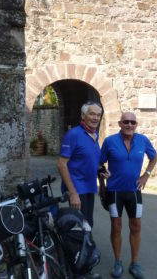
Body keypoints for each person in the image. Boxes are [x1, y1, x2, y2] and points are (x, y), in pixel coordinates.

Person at [101, 112, 157, 279]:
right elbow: (100, 163)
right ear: (120, 123)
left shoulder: (143, 140)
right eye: (126, 122)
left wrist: (146, 174)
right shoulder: (110, 141)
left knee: (136, 227)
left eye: (133, 122)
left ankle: (134, 263)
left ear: (136, 125)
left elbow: (154, 157)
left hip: (134, 192)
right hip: (114, 192)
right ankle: (118, 262)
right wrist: (102, 180)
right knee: (116, 227)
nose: (129, 125)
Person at [57, 101, 109, 279]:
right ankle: (75, 272)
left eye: (98, 115)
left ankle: (82, 268)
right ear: (83, 116)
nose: (96, 118)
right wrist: (72, 193)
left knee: (86, 229)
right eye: (92, 114)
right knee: (75, 233)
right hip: (76, 193)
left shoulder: (94, 136)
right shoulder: (74, 135)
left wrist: (101, 171)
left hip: (88, 191)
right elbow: (62, 164)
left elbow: (92, 162)